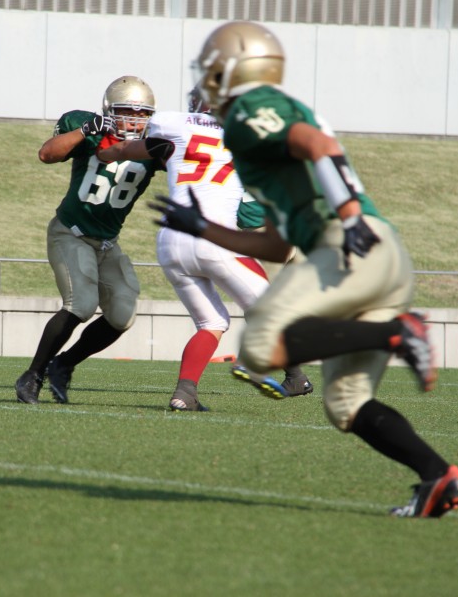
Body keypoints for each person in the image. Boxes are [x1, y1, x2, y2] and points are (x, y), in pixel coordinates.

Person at [152, 21, 458, 517]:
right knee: (346, 405)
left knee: (259, 346)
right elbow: (276, 244)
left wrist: (348, 216)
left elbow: (317, 144)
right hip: (380, 258)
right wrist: (204, 228)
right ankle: (438, 477)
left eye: (213, 69)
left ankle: (397, 332)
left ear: (232, 70)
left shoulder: (252, 110)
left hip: (347, 244)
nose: (206, 80)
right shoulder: (254, 139)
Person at [96, 87, 312, 411]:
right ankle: (286, 372)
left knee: (211, 322)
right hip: (214, 237)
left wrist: (103, 153)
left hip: (171, 242)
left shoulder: (173, 128)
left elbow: (124, 149)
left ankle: (184, 394)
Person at [15, 75, 163, 404]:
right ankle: (32, 375)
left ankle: (63, 364)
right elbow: (46, 154)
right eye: (127, 112)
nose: (135, 120)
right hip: (71, 233)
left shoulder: (153, 144)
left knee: (122, 314)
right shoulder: (88, 128)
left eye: (142, 113)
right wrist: (85, 130)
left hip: (107, 242)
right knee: (81, 304)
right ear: (109, 111)